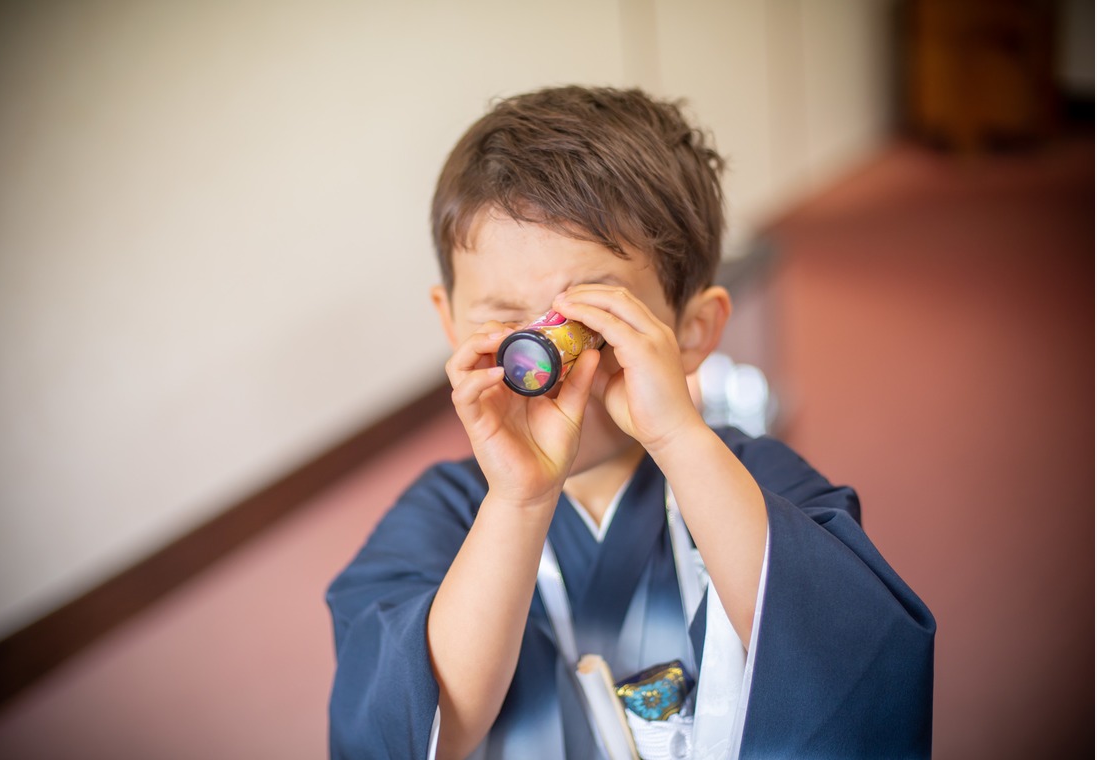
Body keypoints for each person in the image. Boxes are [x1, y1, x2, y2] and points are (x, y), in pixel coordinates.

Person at [326, 86, 935, 760]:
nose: (548, 365)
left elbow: (854, 667)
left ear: (693, 330)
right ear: (449, 322)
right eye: (504, 322)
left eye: (588, 324)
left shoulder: (755, 485)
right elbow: (405, 731)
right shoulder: (441, 515)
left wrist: (679, 437)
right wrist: (519, 501)